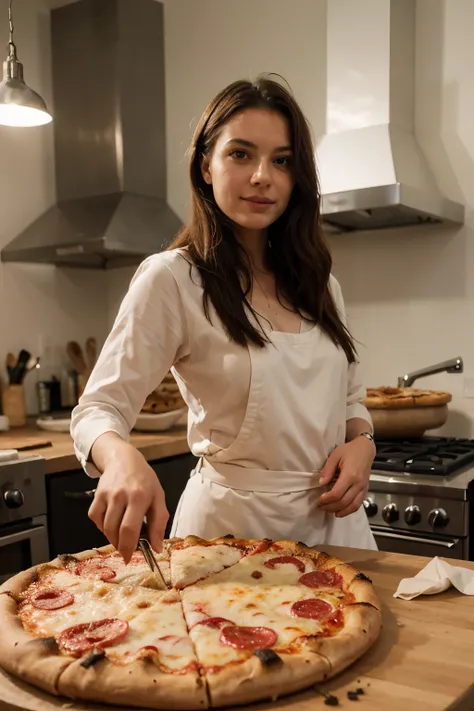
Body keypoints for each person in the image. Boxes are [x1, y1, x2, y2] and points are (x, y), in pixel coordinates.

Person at [71, 75, 377, 564]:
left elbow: (350, 397)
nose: (262, 176)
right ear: (206, 166)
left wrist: (362, 442)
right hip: (228, 544)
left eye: (282, 160)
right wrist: (121, 458)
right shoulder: (173, 279)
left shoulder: (321, 285)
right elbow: (97, 410)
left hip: (335, 531)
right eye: (241, 154)